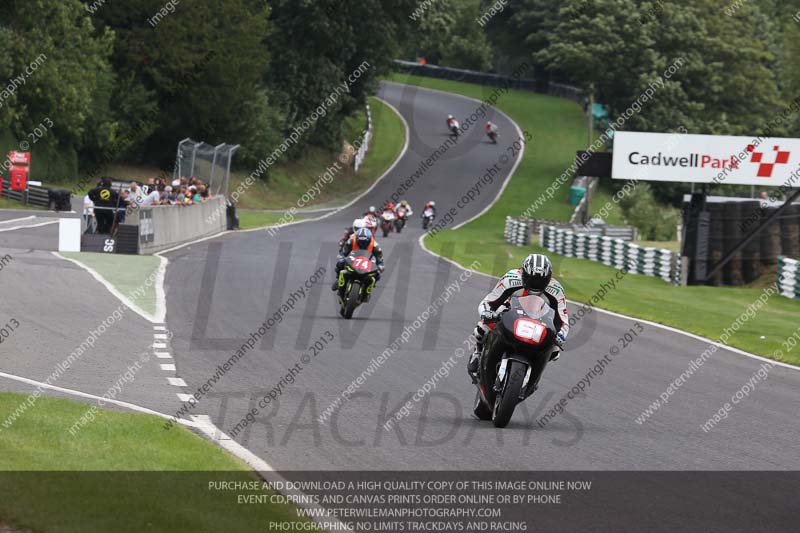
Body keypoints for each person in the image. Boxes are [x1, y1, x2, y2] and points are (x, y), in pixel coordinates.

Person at [467, 254, 569, 376]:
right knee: (482, 329)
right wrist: (487, 313)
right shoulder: (511, 279)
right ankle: (477, 352)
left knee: (555, 351)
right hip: (509, 312)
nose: (535, 284)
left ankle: (534, 375)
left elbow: (563, 321)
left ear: (549, 279)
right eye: (532, 279)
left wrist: (561, 335)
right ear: (523, 274)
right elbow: (488, 302)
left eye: (541, 281)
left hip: (539, 321)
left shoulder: (556, 290)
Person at [332, 227, 385, 293]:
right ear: (356, 239)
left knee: (378, 274)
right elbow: (343, 253)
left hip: (367, 261)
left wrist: (380, 265)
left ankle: (369, 287)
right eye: (360, 242)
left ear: (369, 239)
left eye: (365, 242)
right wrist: (341, 258)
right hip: (353, 258)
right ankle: (338, 279)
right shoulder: (350, 241)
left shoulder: (375, 246)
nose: (363, 244)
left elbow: (380, 259)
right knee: (340, 264)